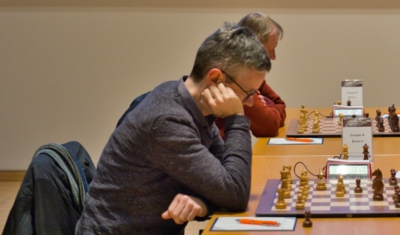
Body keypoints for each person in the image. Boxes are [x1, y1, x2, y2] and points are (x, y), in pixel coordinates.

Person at [76, 23, 271, 235]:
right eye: (248, 93)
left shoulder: (187, 102)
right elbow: (236, 193)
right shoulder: (168, 122)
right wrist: (236, 118)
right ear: (215, 79)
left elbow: (229, 179)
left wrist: (205, 203)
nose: (249, 103)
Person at [215, 12, 286, 137]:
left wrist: (267, 103)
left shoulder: (247, 73)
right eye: (270, 49)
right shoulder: (237, 76)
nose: (273, 57)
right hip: (222, 148)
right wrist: (268, 104)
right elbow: (269, 125)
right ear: (254, 46)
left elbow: (279, 103)